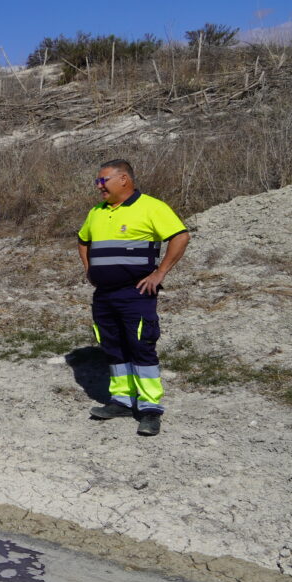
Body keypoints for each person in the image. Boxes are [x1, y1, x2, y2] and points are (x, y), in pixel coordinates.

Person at [77, 159, 189, 436]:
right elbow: (82, 240)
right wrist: (89, 268)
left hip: (136, 293)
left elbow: (180, 236)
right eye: (97, 181)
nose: (98, 186)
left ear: (124, 179)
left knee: (141, 346)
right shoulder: (97, 211)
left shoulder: (152, 207)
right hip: (104, 294)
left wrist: (159, 273)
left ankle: (150, 408)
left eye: (103, 180)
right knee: (113, 346)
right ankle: (122, 401)